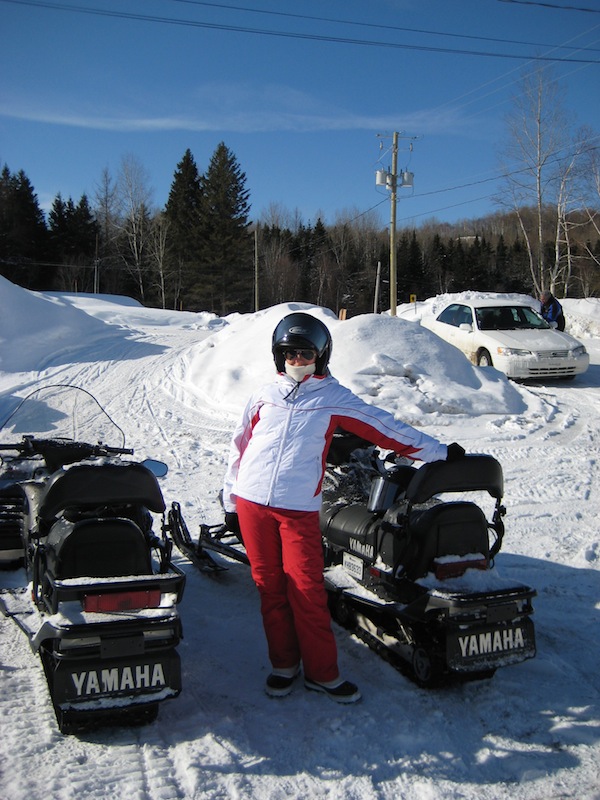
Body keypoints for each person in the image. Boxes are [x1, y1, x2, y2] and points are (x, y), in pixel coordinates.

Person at [222, 312, 466, 704]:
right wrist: (230, 496)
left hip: (297, 510)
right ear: (277, 356)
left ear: (321, 356)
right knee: (269, 589)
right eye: (289, 353)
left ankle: (323, 673)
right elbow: (240, 446)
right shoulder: (263, 395)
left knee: (306, 590)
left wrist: (439, 452)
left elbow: (388, 428)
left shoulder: (333, 398)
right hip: (253, 505)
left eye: (305, 354)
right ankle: (284, 665)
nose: (297, 360)